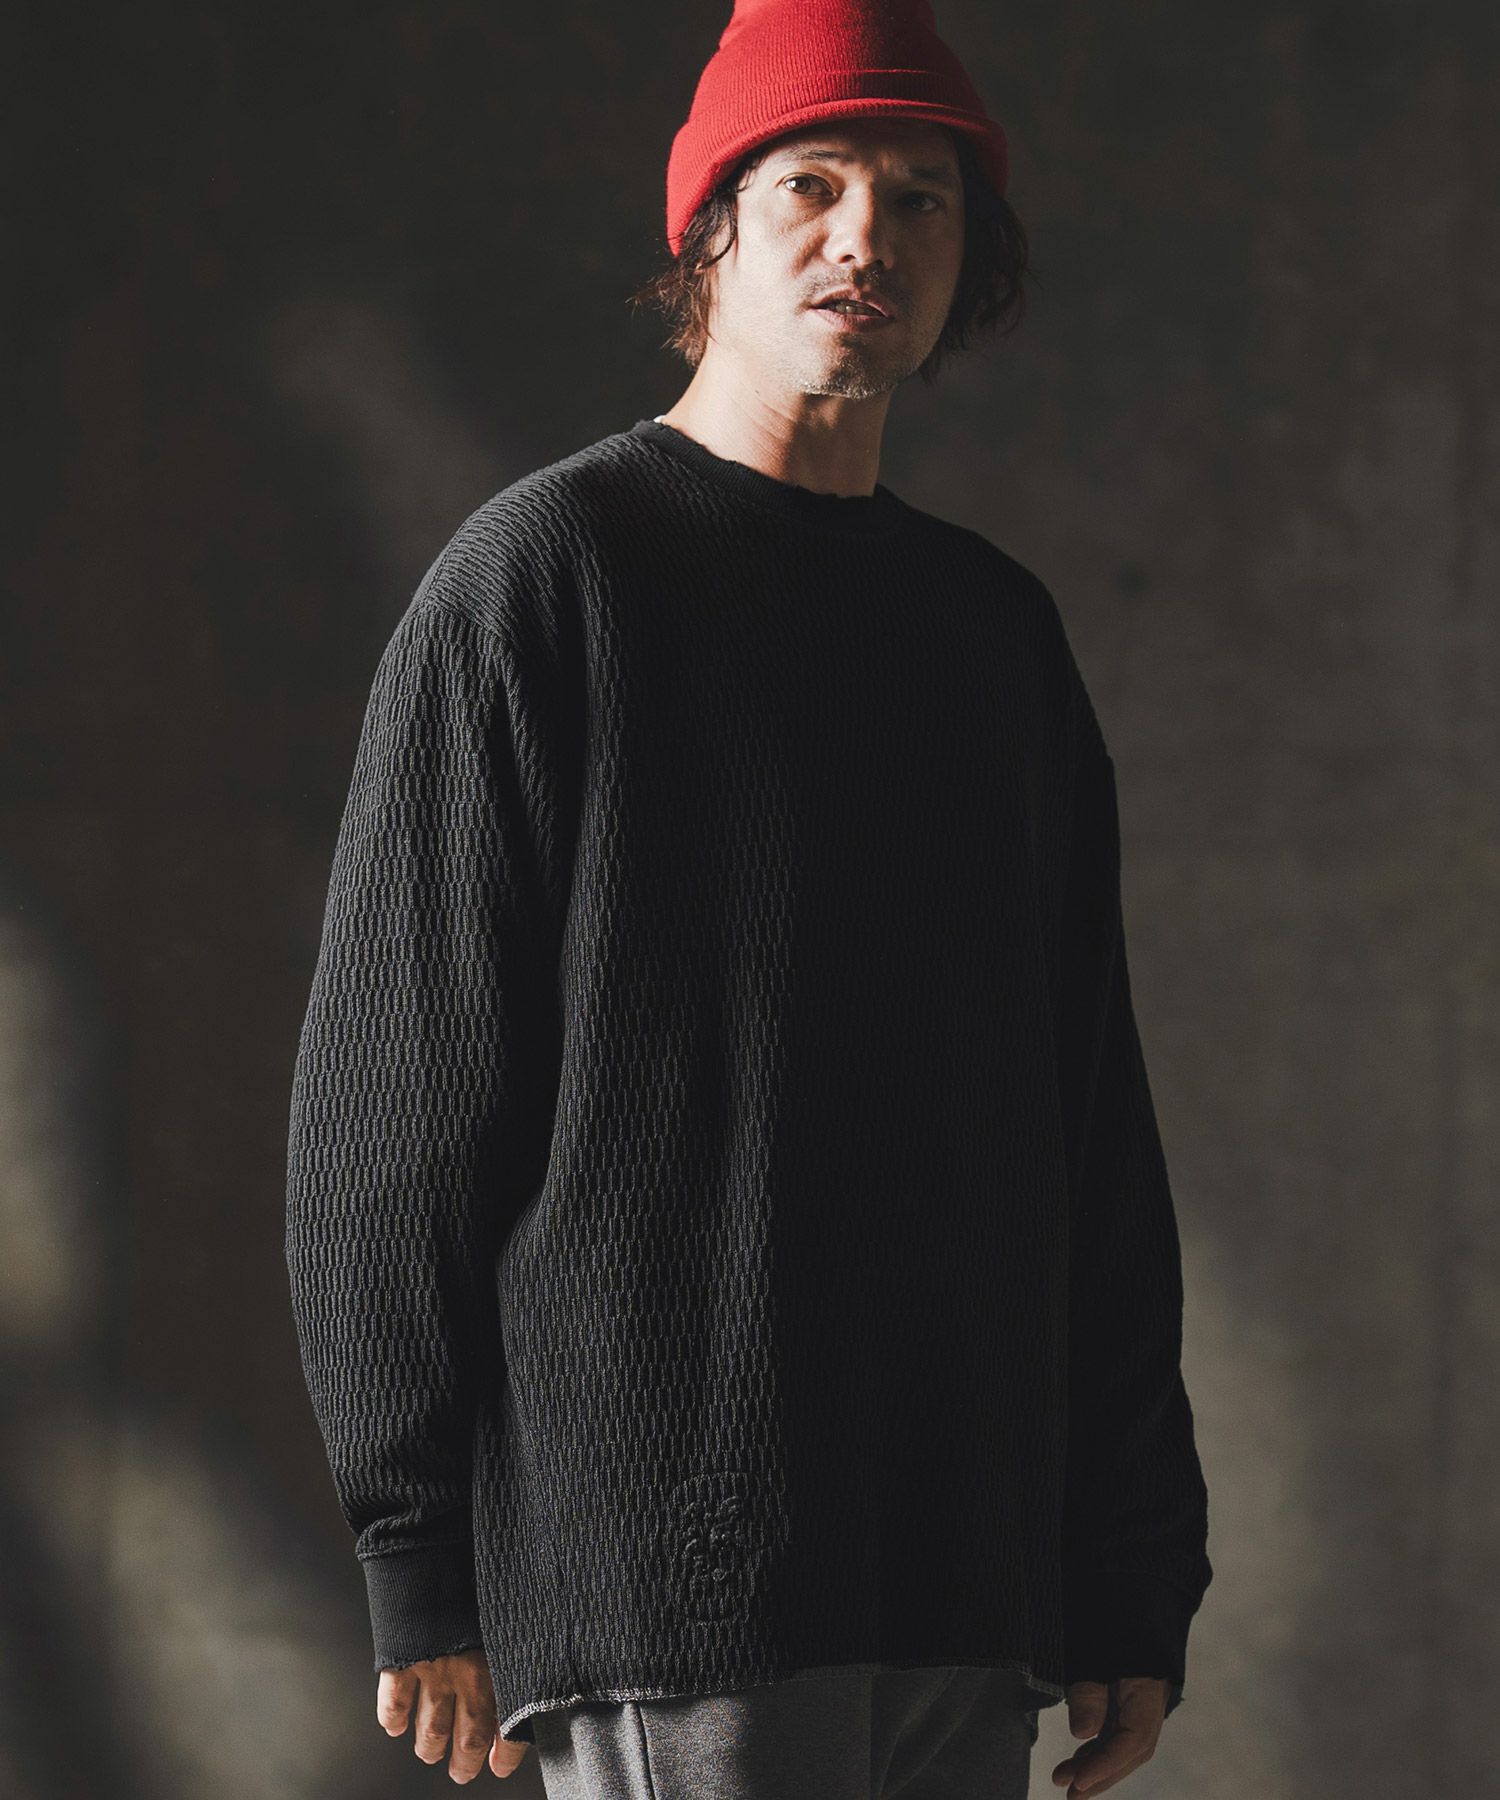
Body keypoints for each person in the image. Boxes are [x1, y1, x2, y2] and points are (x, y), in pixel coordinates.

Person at [283, 2, 1214, 1795]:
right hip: (676, 1572)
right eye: (814, 184)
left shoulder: (993, 637)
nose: (870, 237)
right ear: (708, 234)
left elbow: (1091, 1129)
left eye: (923, 198)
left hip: (964, 1570)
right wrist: (417, 1546)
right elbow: (391, 1114)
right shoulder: (548, 580)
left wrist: (1126, 1563)